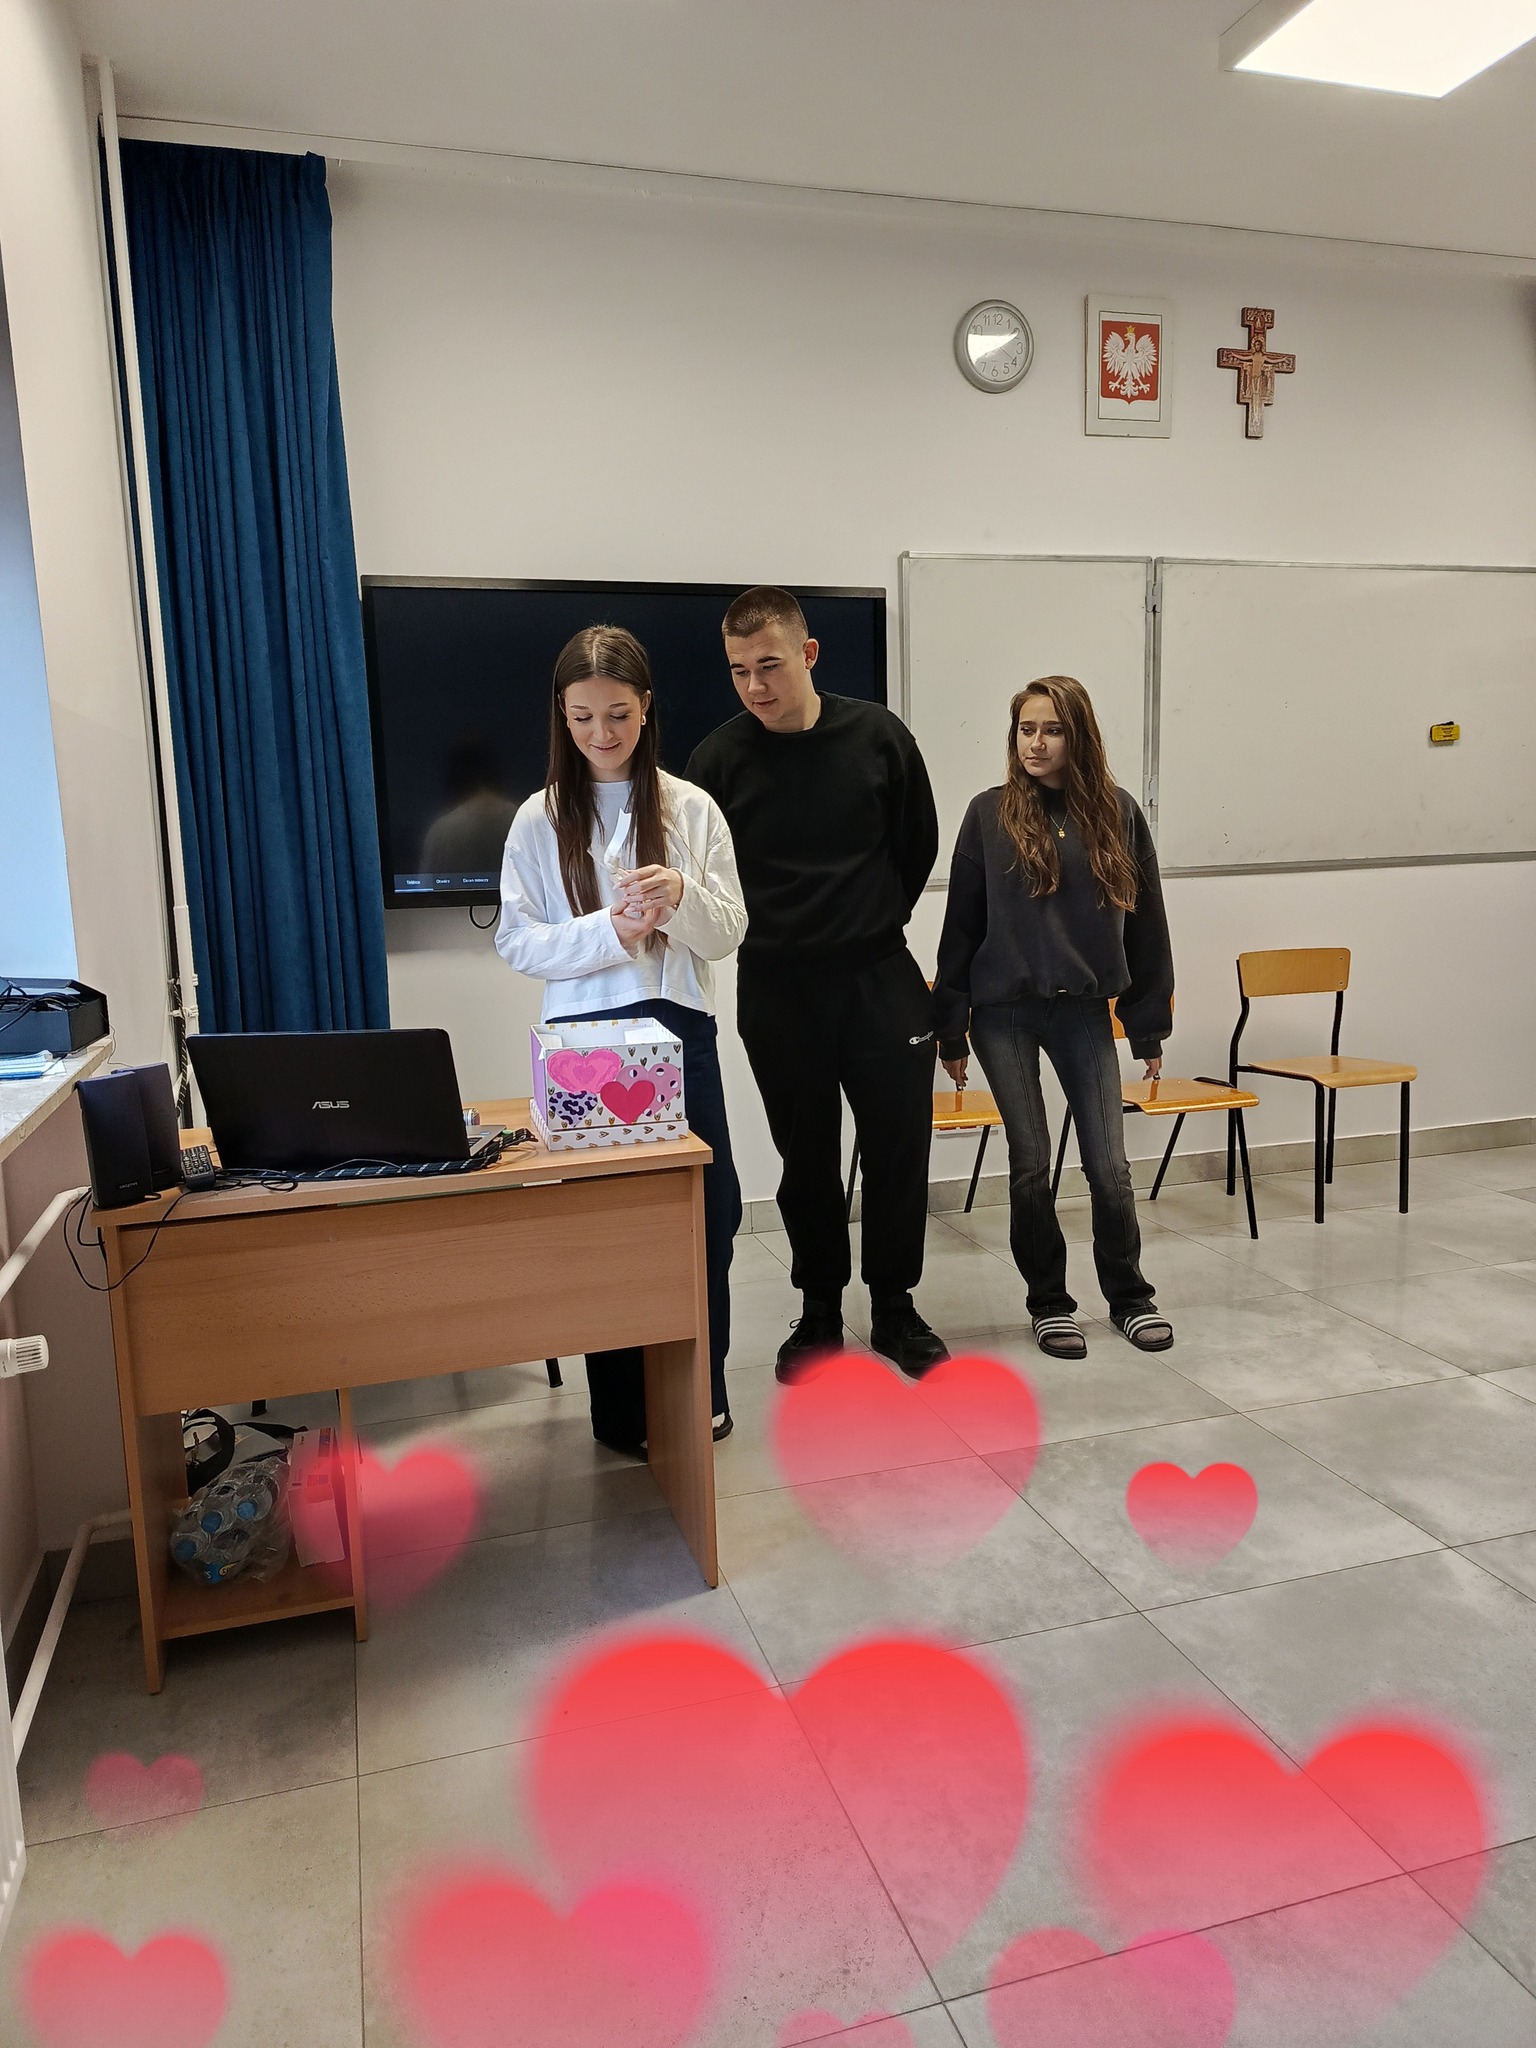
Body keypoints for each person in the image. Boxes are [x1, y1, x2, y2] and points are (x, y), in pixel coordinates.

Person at [686, 586, 948, 1382]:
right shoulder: (716, 762)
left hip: (878, 974)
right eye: (738, 671)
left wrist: (867, 921)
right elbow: (704, 881)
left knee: (898, 1148)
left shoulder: (878, 736)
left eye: (769, 665)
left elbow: (917, 845)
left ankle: (895, 1306)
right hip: (777, 984)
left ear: (808, 654)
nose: (755, 685)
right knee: (805, 1159)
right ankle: (821, 1310)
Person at [496, 625, 748, 1449]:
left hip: (679, 1031)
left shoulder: (691, 807)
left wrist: (680, 897)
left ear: (646, 708)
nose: (601, 734)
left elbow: (728, 933)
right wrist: (611, 931)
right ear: (560, 716)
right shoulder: (539, 817)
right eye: (581, 718)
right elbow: (517, 942)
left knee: (706, 1214)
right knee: (604, 1231)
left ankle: (700, 1393)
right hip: (581, 1042)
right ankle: (621, 1414)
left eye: (617, 715)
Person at [932, 675, 1174, 1358]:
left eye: (1053, 730)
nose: (1036, 743)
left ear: (1079, 736)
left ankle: (1129, 1297)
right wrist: (951, 1027)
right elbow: (961, 927)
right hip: (1002, 1014)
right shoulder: (988, 813)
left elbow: (1148, 925)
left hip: (1084, 1012)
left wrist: (1146, 1023)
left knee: (1109, 1164)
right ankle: (1049, 1303)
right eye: (1026, 729)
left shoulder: (1118, 812)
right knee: (1031, 1161)